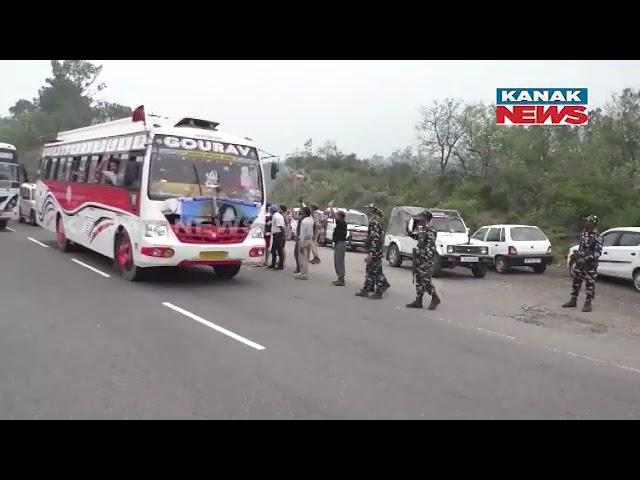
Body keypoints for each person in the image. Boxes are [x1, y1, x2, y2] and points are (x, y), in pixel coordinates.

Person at [562, 214, 603, 312]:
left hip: (590, 265)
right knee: (576, 281)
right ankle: (573, 300)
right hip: (580, 263)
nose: (586, 223)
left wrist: (586, 258)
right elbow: (581, 247)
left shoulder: (598, 237)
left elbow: (597, 253)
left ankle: (588, 303)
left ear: (593, 224)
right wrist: (577, 255)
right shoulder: (584, 233)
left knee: (589, 284)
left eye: (588, 222)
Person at [406, 210, 441, 310]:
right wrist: (409, 231)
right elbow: (418, 238)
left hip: (425, 260)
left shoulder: (431, 230)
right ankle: (418, 300)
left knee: (425, 280)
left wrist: (423, 258)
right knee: (419, 280)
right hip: (419, 258)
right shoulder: (423, 229)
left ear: (425, 218)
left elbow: (430, 247)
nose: (418, 219)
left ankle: (435, 298)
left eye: (420, 217)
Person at [356, 204, 390, 299]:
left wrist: (371, 253)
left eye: (370, 212)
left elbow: (375, 239)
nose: (369, 213)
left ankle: (379, 290)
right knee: (370, 270)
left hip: (375, 251)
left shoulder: (374, 222)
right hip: (375, 250)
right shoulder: (377, 222)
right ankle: (367, 288)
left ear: (374, 213)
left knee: (375, 271)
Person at [295, 207, 314, 280]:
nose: (300, 213)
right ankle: (303, 272)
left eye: (301, 212)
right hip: (309, 239)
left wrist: (301, 245)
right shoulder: (311, 220)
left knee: (302, 258)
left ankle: (303, 273)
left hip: (304, 240)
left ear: (304, 213)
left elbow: (302, 234)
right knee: (306, 257)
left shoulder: (304, 222)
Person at [332, 210, 347, 286]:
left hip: (340, 243)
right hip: (339, 243)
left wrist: (331, 208)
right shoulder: (341, 223)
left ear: (340, 217)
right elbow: (334, 217)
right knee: (338, 261)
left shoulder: (342, 223)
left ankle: (341, 279)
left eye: (337, 215)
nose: (335, 217)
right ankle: (340, 278)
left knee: (339, 262)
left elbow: (334, 217)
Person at [269, 204, 286, 270]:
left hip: (278, 235)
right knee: (273, 250)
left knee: (279, 251)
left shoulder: (277, 216)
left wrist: (283, 236)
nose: (270, 210)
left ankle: (280, 265)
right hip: (276, 234)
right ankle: (273, 264)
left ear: (272, 210)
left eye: (270, 209)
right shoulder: (275, 216)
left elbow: (281, 227)